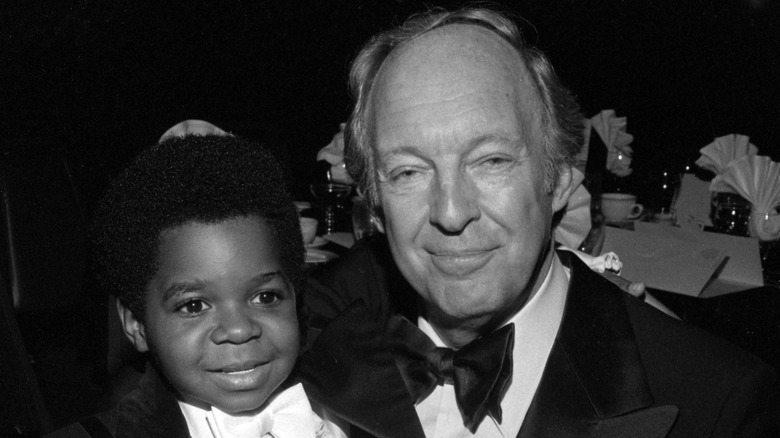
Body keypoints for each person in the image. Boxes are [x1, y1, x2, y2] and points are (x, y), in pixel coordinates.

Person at [298, 7, 780, 438]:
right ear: (375, 206)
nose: (451, 212)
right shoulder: (301, 353)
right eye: (408, 172)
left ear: (561, 179)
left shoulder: (717, 406)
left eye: (491, 161)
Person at [48, 135, 346, 437]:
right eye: (194, 306)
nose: (239, 330)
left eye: (265, 297)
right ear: (137, 325)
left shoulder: (357, 411)